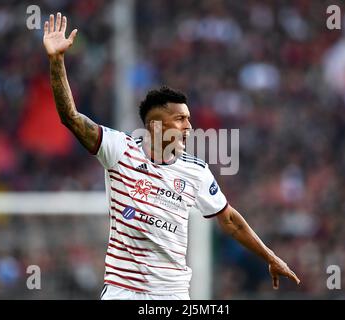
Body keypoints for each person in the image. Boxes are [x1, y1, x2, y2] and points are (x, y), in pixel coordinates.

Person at [43, 12, 300, 300]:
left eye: (188, 119)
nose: (189, 127)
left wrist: (270, 257)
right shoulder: (119, 150)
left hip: (173, 295)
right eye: (180, 119)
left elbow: (230, 220)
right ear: (155, 125)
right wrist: (57, 61)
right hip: (123, 292)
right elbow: (71, 118)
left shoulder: (197, 171)